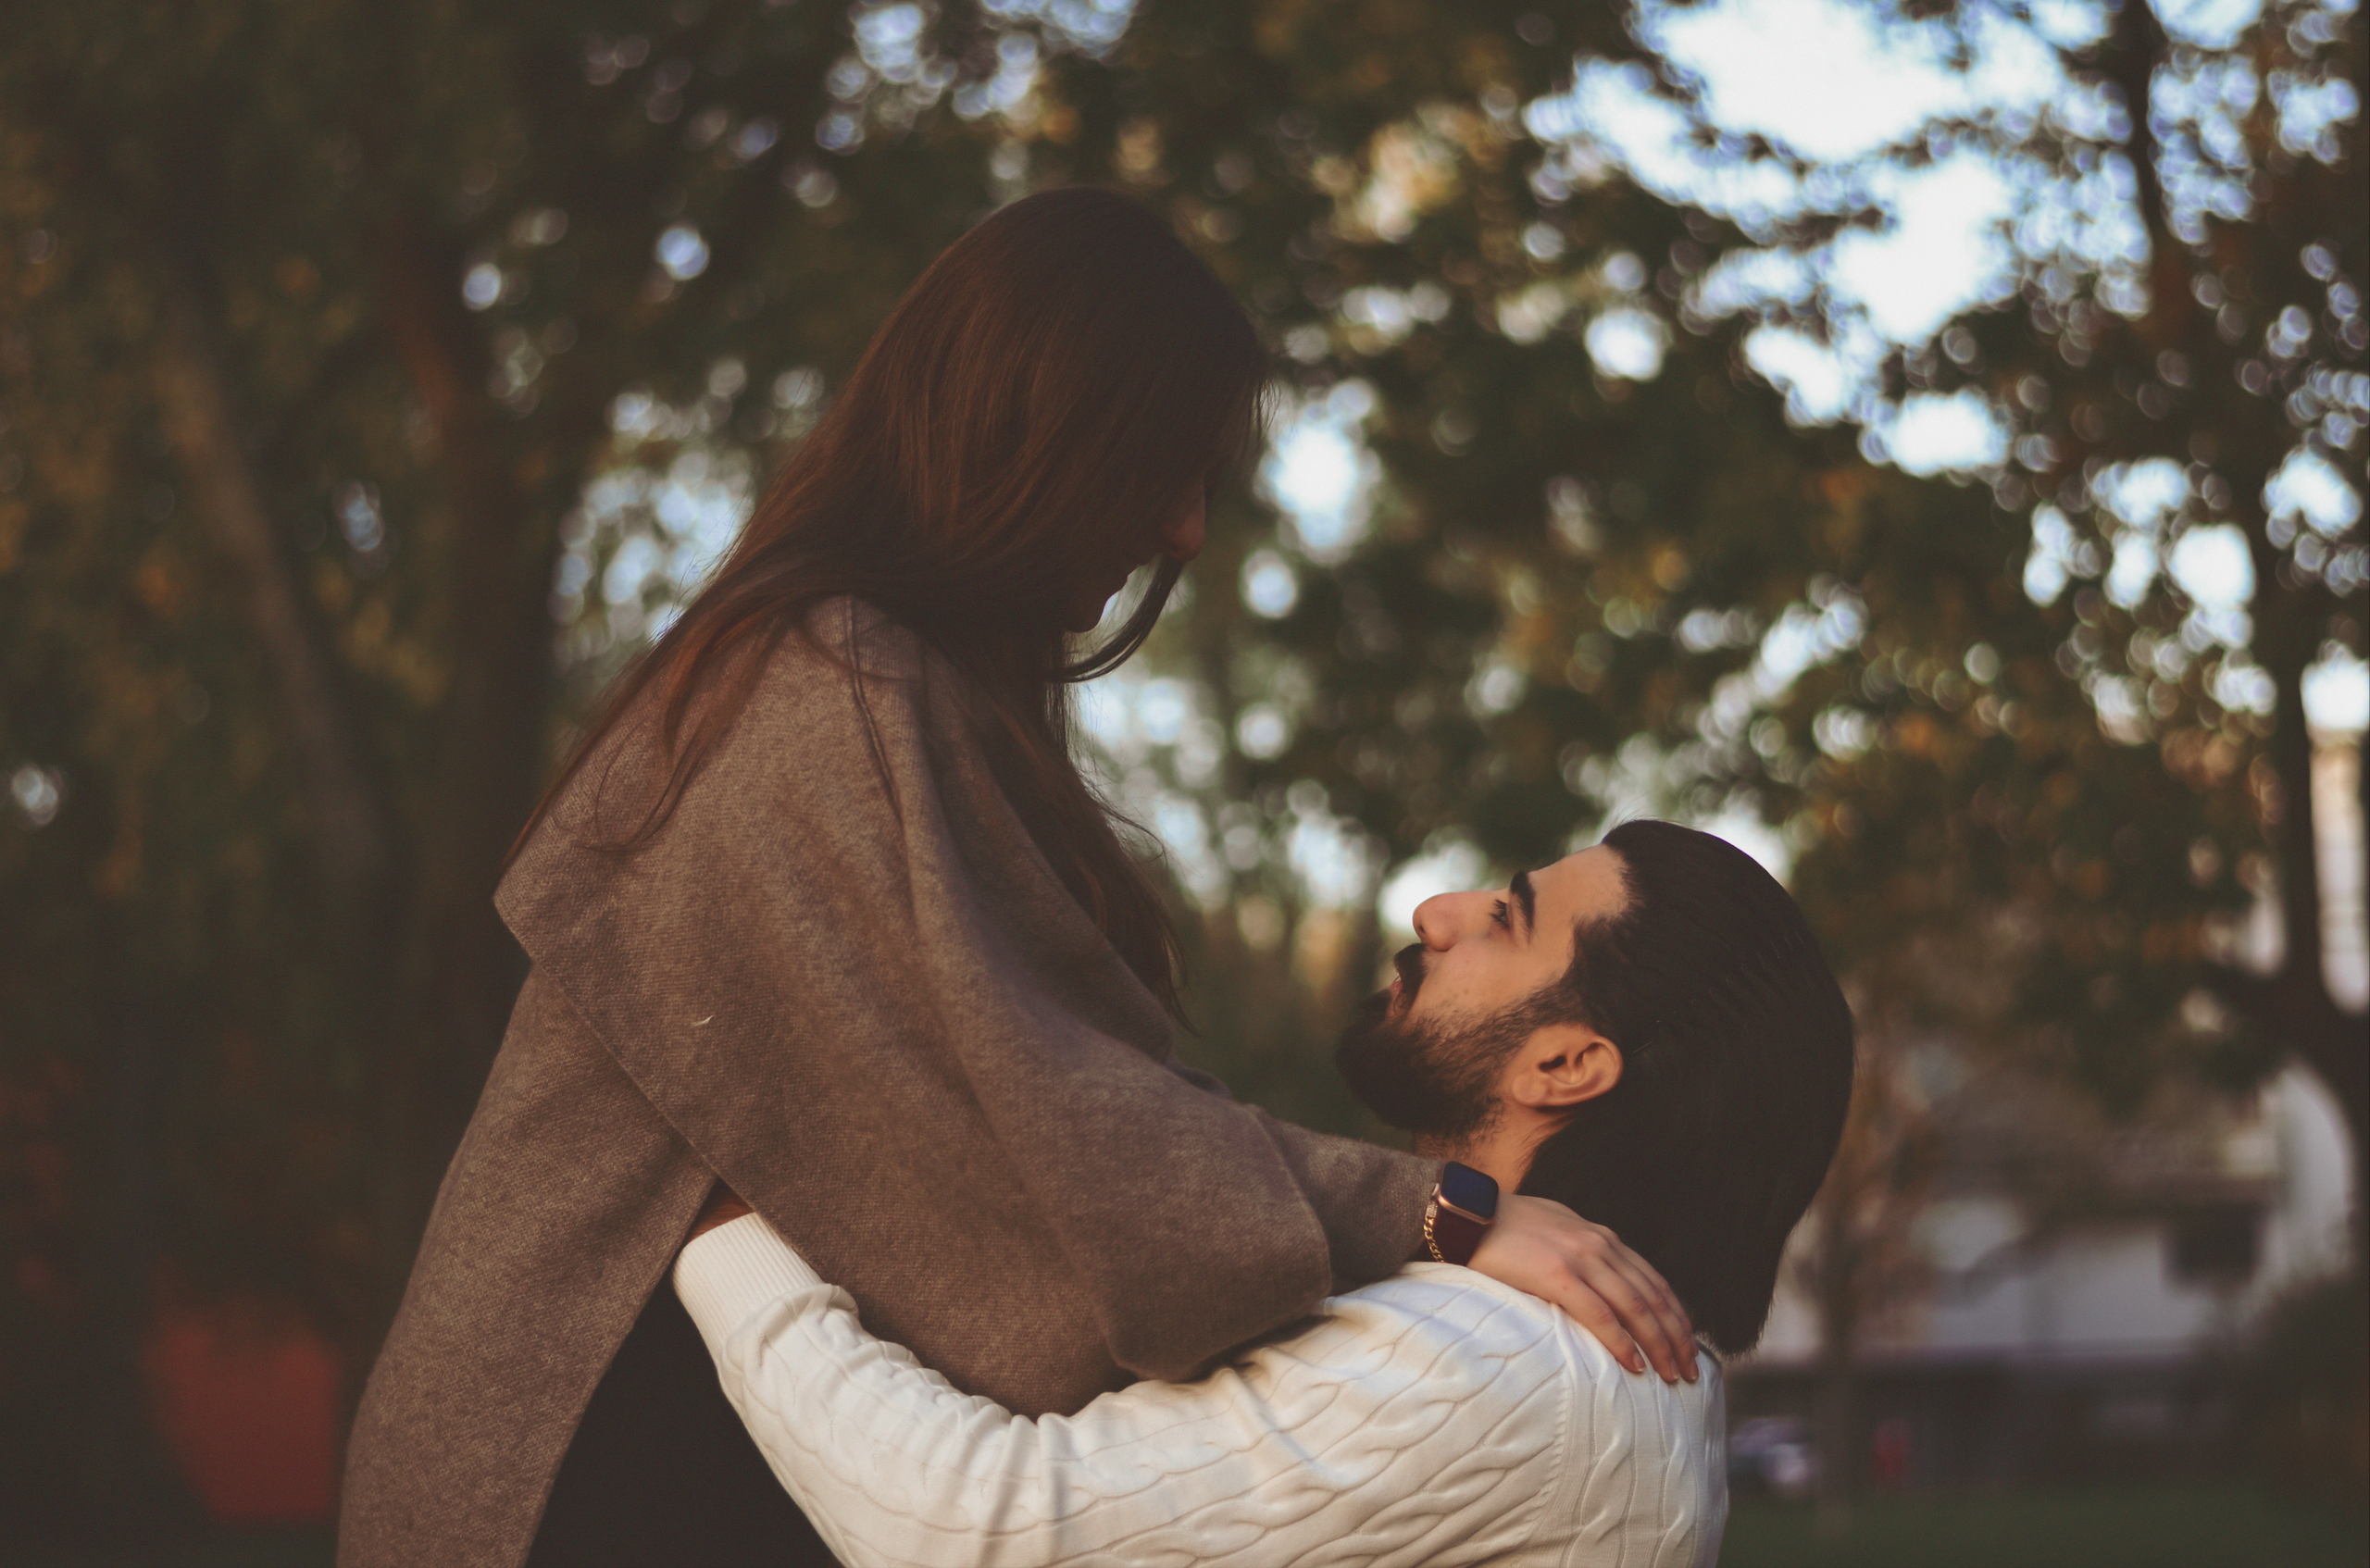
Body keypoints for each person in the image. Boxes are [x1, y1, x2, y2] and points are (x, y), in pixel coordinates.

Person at [337, 188, 1696, 1568]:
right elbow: (1045, 1149)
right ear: (1035, 438)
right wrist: (1443, 1213)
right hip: (600, 1459)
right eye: (1160, 469)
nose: (1185, 531)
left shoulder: (895, 689)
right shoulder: (814, 686)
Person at [670, 821, 1856, 1567]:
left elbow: (970, 1523)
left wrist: (720, 1224)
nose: (1435, 912)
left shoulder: (1512, 1365)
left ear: (1565, 1063)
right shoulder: (1606, 1368)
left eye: (1507, 917)